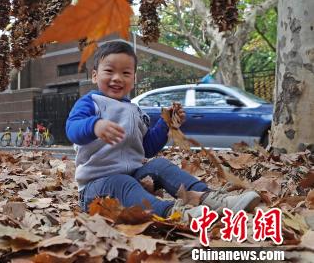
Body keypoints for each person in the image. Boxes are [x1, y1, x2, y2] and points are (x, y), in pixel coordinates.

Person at [66, 41, 260, 223]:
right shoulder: (91, 103)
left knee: (159, 164)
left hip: (133, 178)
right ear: (94, 75)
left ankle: (212, 199)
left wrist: (165, 123)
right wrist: (94, 125)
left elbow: (147, 148)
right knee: (122, 182)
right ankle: (174, 213)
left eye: (125, 73)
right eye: (109, 71)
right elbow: (72, 129)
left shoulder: (135, 110)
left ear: (133, 79)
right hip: (95, 189)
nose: (117, 78)